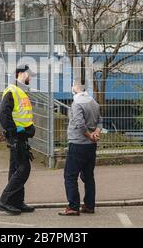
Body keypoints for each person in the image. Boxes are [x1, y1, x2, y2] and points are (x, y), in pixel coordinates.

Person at [59, 81, 102, 216]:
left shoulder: (77, 103)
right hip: (91, 146)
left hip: (78, 144)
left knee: (70, 176)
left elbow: (79, 124)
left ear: (76, 89)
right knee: (88, 176)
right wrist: (96, 133)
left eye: (74, 86)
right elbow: (100, 120)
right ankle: (89, 205)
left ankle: (73, 206)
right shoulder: (94, 102)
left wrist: (89, 135)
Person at [0, 65, 36, 215]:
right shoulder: (12, 91)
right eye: (29, 75)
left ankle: (17, 201)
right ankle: (5, 201)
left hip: (22, 136)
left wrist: (30, 128)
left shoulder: (21, 92)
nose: (30, 78)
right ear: (20, 74)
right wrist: (12, 132)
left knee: (15, 170)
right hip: (16, 137)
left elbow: (23, 115)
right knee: (24, 168)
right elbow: (4, 115)